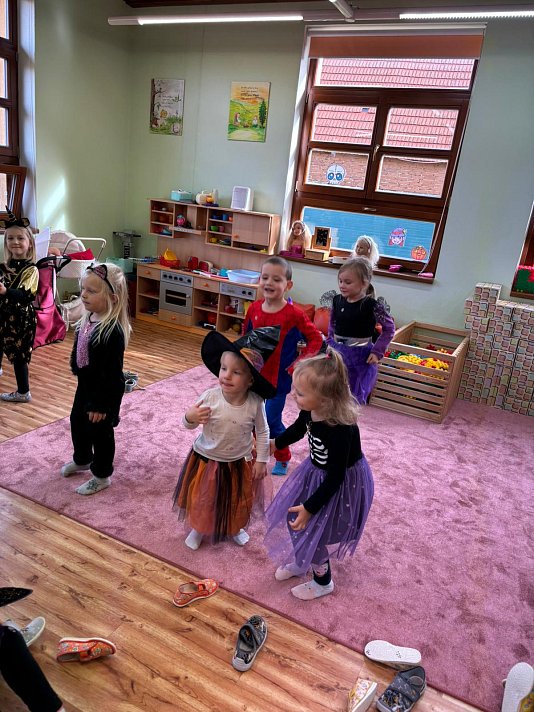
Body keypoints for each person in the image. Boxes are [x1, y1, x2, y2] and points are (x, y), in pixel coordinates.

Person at [264, 349, 374, 600]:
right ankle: (302, 560)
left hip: (340, 483)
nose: (293, 395)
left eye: (300, 393)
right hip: (315, 473)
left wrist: (310, 507)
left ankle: (323, 582)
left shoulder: (341, 430)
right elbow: (298, 429)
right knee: (294, 518)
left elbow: (336, 477)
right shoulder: (310, 410)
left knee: (316, 530)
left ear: (325, 399)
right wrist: (275, 443)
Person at [173, 327, 278, 550]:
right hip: (207, 459)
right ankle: (198, 528)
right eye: (223, 368)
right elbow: (187, 423)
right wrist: (190, 416)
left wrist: (262, 460)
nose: (226, 375)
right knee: (204, 498)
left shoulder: (256, 402)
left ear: (250, 380)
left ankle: (234, 527)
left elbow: (262, 432)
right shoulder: (210, 397)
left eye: (236, 372)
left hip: (239, 461)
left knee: (237, 499)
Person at [244, 256, 323, 476]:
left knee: (271, 419)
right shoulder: (254, 308)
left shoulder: (294, 314)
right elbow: (245, 337)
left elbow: (316, 339)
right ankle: (253, 453)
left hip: (279, 379)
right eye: (265, 277)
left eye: (276, 279)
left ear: (288, 285)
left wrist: (299, 364)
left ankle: (283, 455)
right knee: (250, 418)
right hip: (253, 376)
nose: (269, 283)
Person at [61, 262, 131, 496]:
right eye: (83, 289)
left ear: (112, 298)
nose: (83, 295)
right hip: (86, 384)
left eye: (91, 291)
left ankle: (102, 475)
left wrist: (101, 405)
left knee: (100, 433)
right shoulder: (89, 318)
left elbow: (112, 373)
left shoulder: (112, 332)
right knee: (77, 422)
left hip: (104, 391)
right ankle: (82, 458)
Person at [327, 257, 395, 404]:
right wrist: (330, 341)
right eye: (340, 281)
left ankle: (347, 418)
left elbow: (389, 329)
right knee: (331, 392)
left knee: (350, 397)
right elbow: (332, 322)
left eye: (348, 282)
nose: (342, 285)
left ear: (364, 283)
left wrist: (377, 352)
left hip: (359, 357)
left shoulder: (372, 306)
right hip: (336, 353)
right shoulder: (337, 300)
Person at [0, 210, 39, 403]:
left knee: (19, 356)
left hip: (21, 319)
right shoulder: (5, 265)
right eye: (10, 238)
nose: (15, 242)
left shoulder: (31, 269)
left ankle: (24, 392)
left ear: (29, 242)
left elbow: (27, 295)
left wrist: (5, 291)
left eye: (20, 238)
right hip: (4, 315)